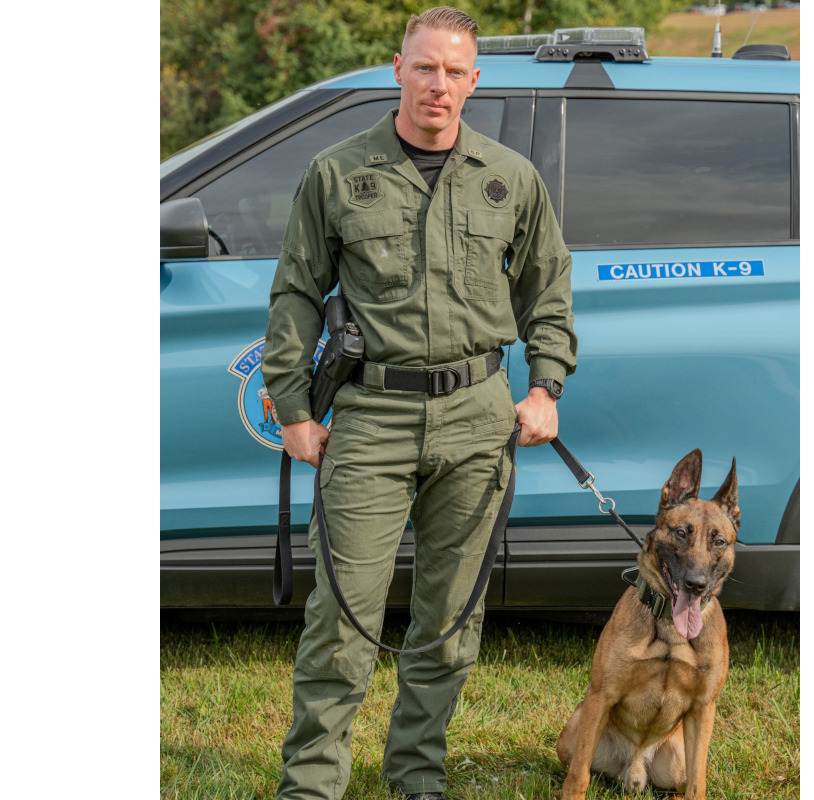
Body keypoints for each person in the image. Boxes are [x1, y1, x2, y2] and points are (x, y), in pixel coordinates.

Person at [261, 7, 577, 799]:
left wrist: (545, 386)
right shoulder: (338, 173)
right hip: (372, 415)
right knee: (341, 617)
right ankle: (312, 784)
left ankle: (415, 775)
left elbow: (547, 292)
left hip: (478, 415)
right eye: (426, 67)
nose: (439, 85)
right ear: (399, 68)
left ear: (475, 81)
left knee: (450, 619)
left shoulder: (511, 178)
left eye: (454, 72)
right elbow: (297, 291)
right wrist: (293, 408)